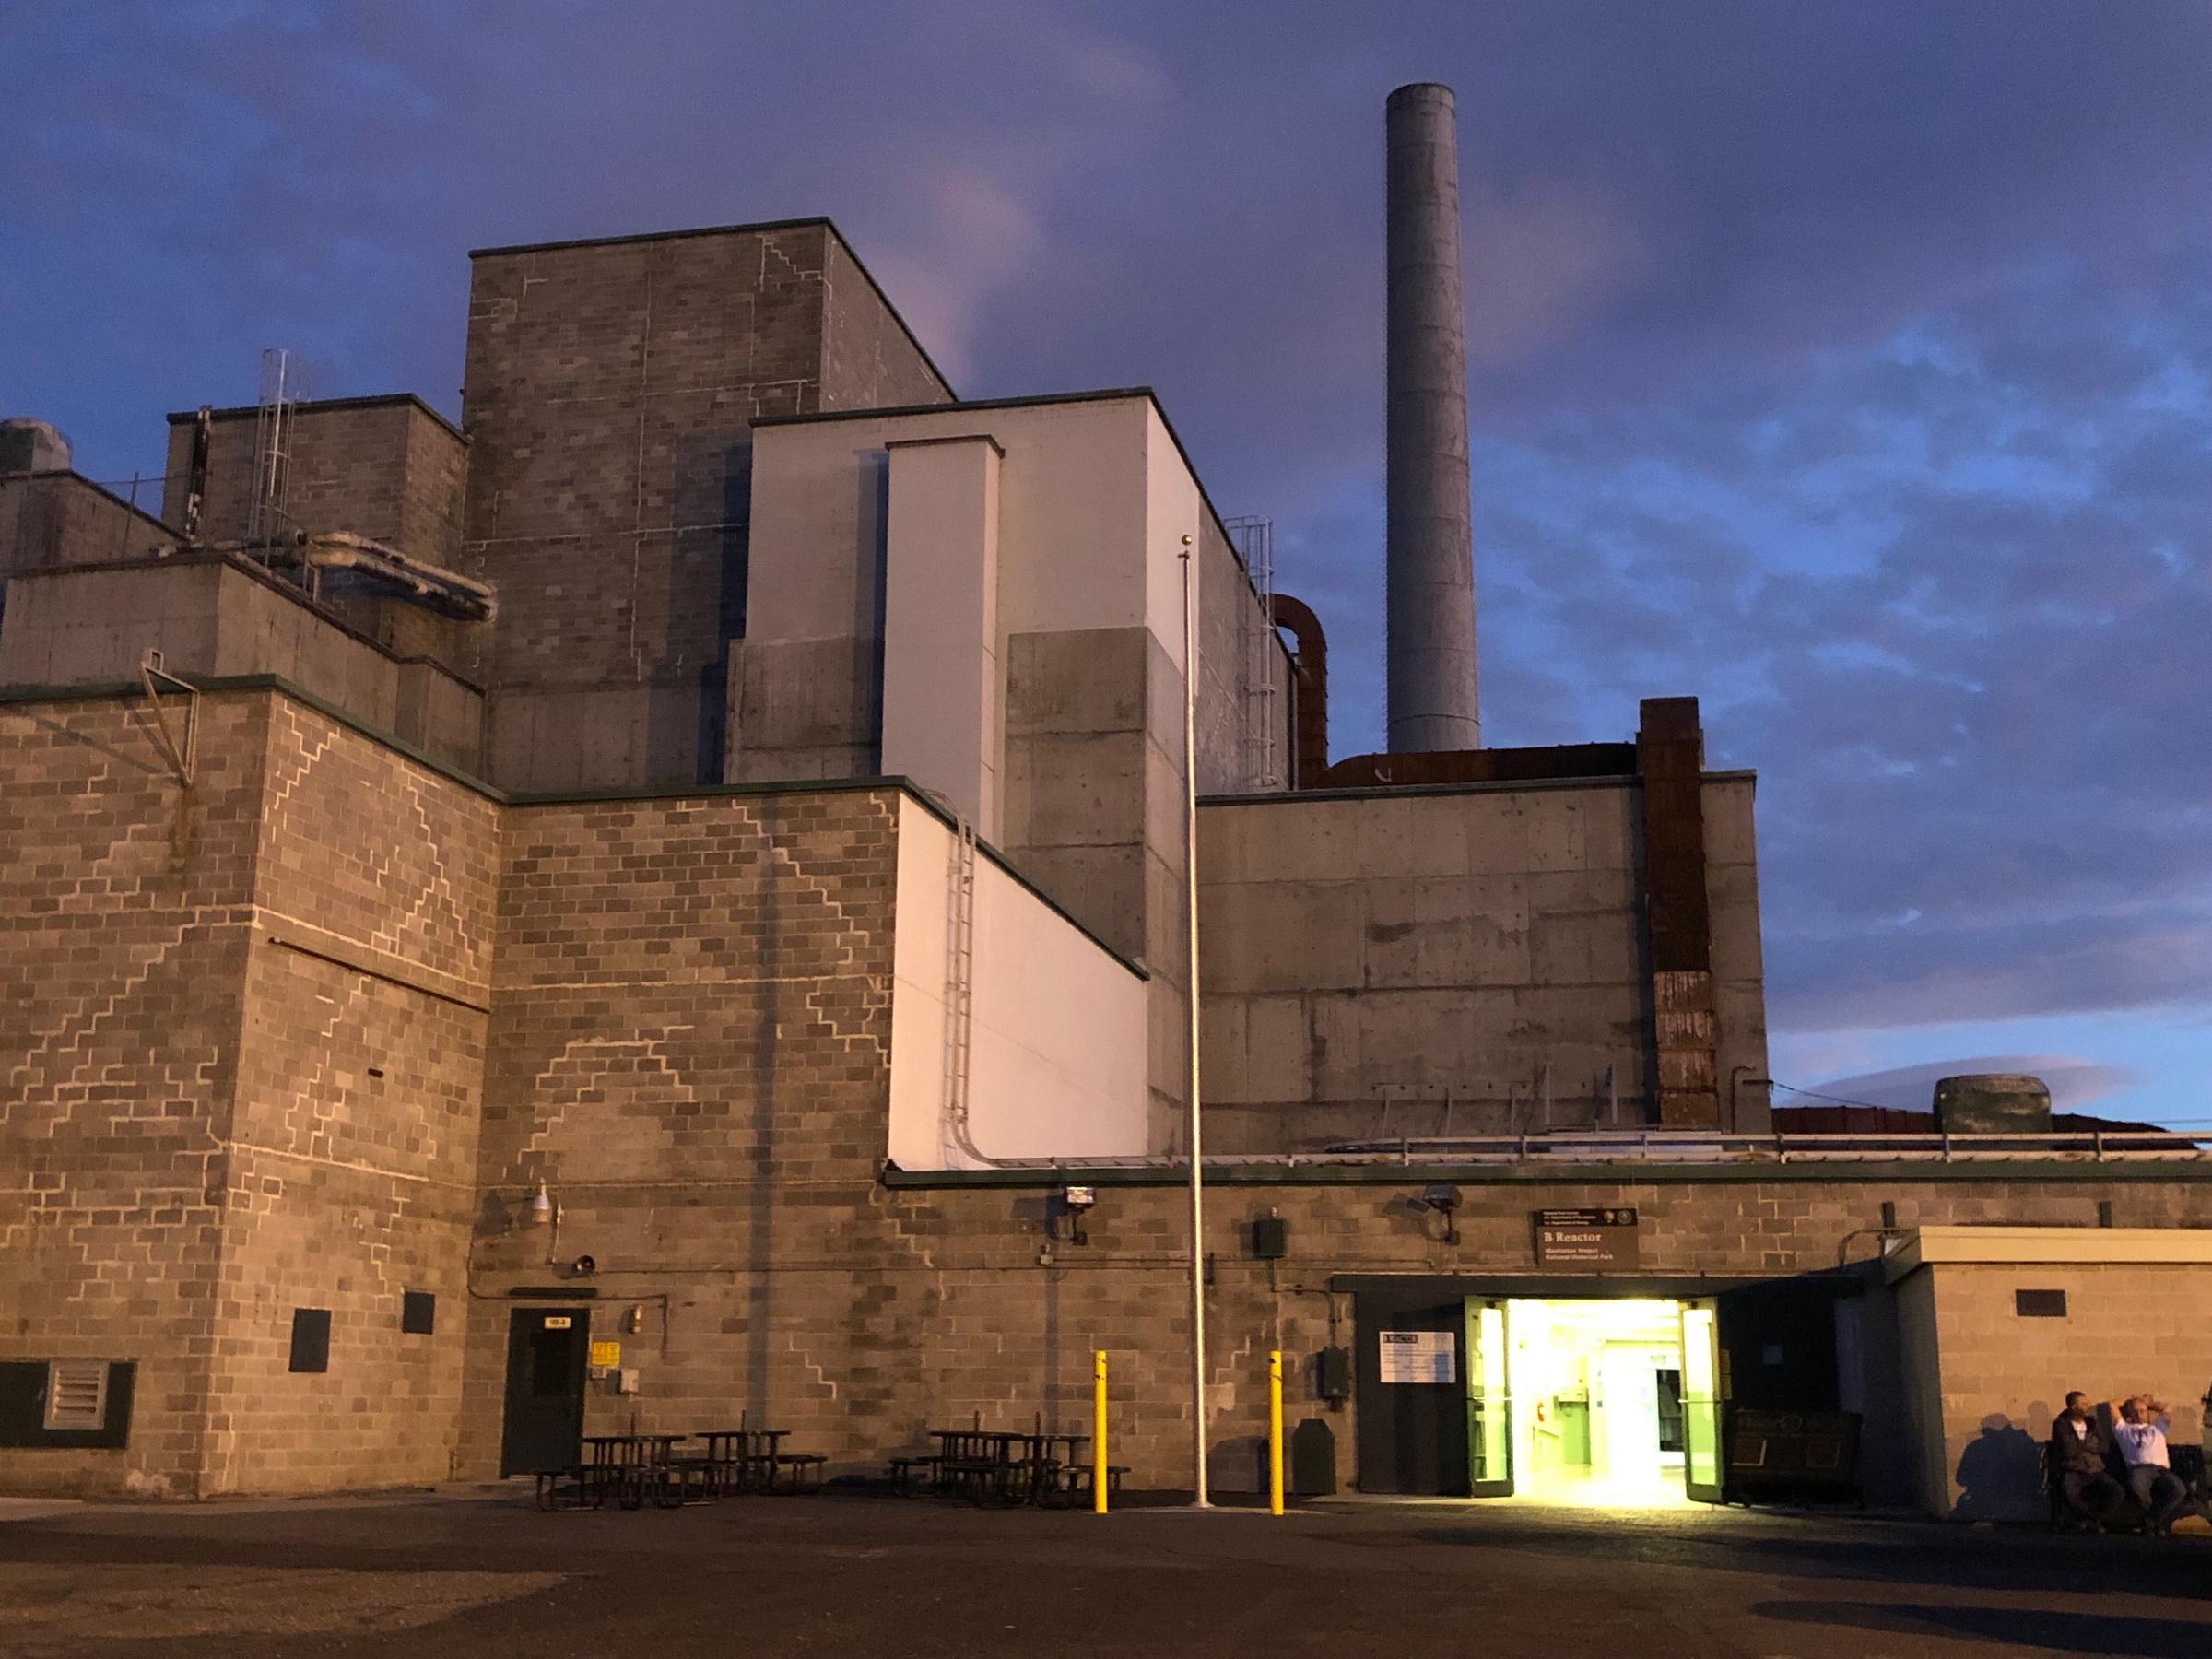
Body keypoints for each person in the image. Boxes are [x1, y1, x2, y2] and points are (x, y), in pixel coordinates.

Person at [2107, 1393, 2187, 1532]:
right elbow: (2112, 1405)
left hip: (2161, 1470)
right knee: (2138, 1490)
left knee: (2179, 1490)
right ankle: (2153, 1523)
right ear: (2130, 1413)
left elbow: (2167, 1408)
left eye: (2142, 1411)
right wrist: (2130, 1400)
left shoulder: (2158, 1427)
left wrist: (2148, 1403)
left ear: (2148, 1413)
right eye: (2135, 1411)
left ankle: (2150, 1520)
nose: (2139, 1414)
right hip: (2139, 1469)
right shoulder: (2124, 1429)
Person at [2049, 1392, 2122, 1529]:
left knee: (2117, 1491)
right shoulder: (2061, 1424)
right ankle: (2091, 1520)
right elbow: (2069, 1450)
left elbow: (2104, 1446)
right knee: (2069, 1493)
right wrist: (2089, 1444)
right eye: (2083, 1404)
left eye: (2087, 1403)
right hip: (2073, 1469)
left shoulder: (2092, 1423)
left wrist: (2082, 1443)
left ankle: (2093, 1519)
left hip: (2094, 1469)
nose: (2086, 1406)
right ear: (2073, 1406)